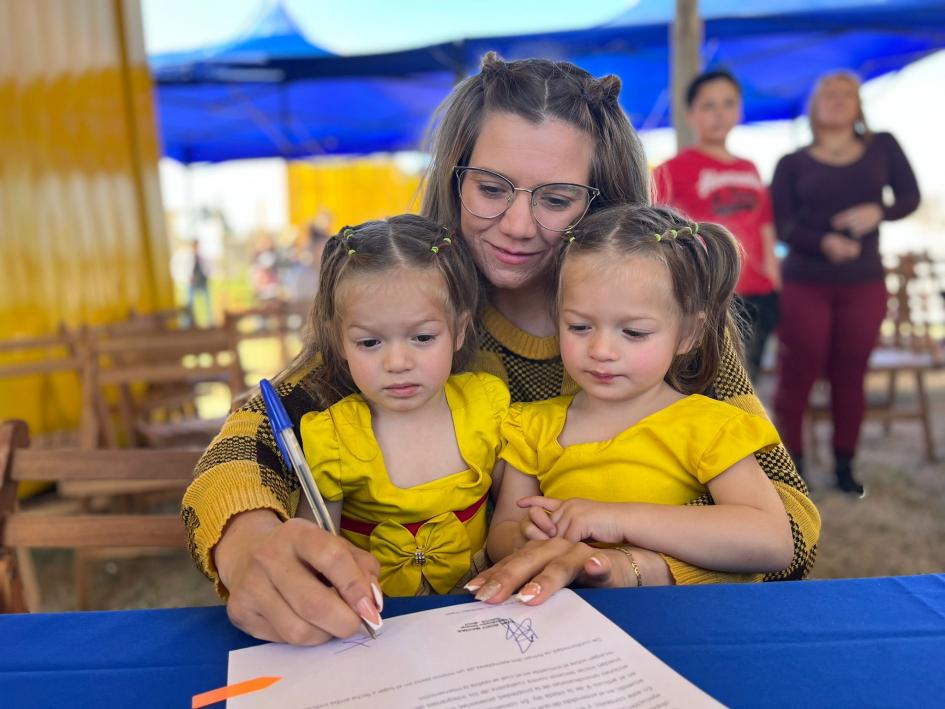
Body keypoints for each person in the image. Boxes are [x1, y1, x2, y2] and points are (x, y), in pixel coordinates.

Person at [182, 53, 820, 646]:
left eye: (557, 199)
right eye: (491, 188)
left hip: (659, 634)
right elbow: (250, 439)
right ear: (454, 179)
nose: (518, 226)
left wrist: (628, 567)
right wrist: (249, 542)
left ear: (605, 199)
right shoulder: (413, 308)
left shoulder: (668, 324)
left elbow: (791, 526)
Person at [475, 205, 792, 604]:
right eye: (579, 327)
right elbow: (501, 532)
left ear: (688, 334)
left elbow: (772, 541)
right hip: (563, 622)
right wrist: (526, 536)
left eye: (634, 332)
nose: (602, 350)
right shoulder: (531, 426)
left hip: (677, 615)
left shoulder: (710, 426)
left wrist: (618, 518)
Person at [298, 215, 508, 605]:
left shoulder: (486, 406)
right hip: (376, 629)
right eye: (370, 343)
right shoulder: (332, 437)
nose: (397, 362)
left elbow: (514, 514)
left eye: (423, 337)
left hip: (481, 617)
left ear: (460, 330)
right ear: (339, 341)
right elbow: (317, 552)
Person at [770, 70, 920, 496]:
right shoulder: (791, 163)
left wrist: (880, 212)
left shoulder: (883, 147)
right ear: (813, 106)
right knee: (798, 369)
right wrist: (823, 241)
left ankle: (844, 465)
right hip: (805, 281)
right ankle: (791, 467)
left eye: (846, 94)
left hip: (864, 281)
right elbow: (780, 225)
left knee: (851, 373)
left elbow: (909, 197)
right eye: (828, 94)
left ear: (858, 106)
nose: (836, 100)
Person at [654, 70, 780, 381]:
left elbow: (765, 227)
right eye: (708, 106)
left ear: (739, 110)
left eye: (728, 103)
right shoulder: (672, 170)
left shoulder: (749, 167)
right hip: (708, 294)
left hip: (758, 295)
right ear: (690, 113)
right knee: (709, 381)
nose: (719, 113)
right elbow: (657, 235)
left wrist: (776, 286)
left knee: (749, 380)